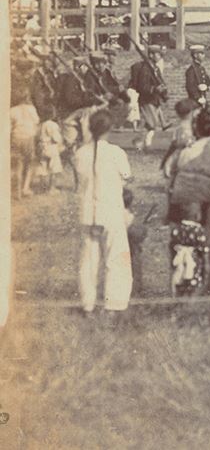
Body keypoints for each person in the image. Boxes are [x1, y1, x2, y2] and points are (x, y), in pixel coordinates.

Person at [167, 107, 210, 295]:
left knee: (180, 250)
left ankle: (179, 288)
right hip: (203, 207)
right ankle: (200, 287)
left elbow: (173, 177)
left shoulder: (186, 151)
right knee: (202, 248)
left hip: (179, 207)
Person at [74, 111, 133, 315]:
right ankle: (114, 304)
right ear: (109, 129)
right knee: (116, 256)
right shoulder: (116, 153)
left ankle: (88, 304)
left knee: (88, 259)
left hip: (88, 212)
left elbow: (79, 181)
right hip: (110, 211)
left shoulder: (81, 153)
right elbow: (127, 177)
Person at [128, 45, 168, 152]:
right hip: (147, 99)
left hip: (154, 99)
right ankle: (139, 143)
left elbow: (161, 81)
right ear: (151, 55)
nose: (159, 56)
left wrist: (163, 90)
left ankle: (144, 144)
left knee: (149, 124)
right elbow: (142, 87)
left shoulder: (155, 68)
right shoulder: (145, 69)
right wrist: (155, 89)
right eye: (157, 54)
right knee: (153, 123)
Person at [11, 91, 40, 198]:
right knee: (29, 163)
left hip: (16, 137)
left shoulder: (12, 110)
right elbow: (36, 122)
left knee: (18, 163)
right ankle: (25, 188)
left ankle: (17, 190)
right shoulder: (31, 109)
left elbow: (9, 126)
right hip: (29, 137)